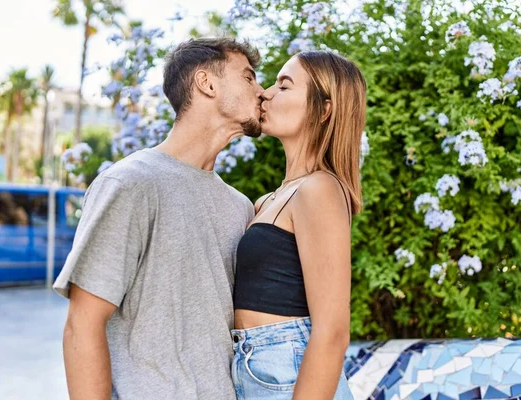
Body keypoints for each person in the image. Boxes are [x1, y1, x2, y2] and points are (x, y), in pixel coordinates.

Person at [53, 37, 264, 400]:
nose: (262, 91)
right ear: (207, 83)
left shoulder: (240, 206)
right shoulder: (131, 183)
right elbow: (82, 325)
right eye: (248, 77)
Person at [231, 51, 367, 399]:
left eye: (284, 85)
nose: (266, 93)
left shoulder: (319, 189)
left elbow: (332, 331)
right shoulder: (267, 201)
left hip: (290, 370)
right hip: (254, 368)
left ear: (324, 110)